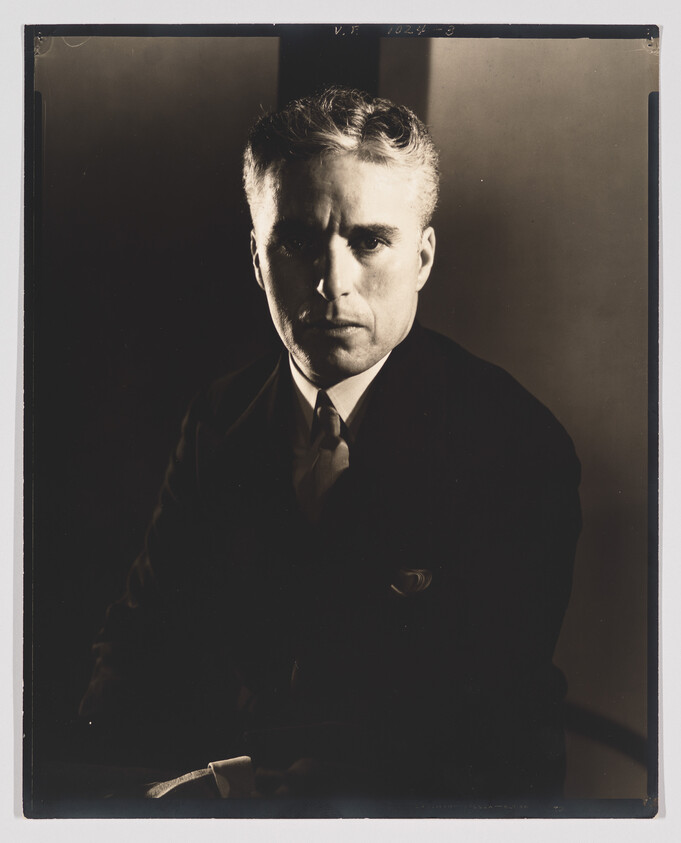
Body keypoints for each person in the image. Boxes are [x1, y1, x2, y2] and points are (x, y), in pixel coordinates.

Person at [79, 86, 582, 801]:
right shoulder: (220, 418)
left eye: (369, 240)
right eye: (298, 241)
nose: (331, 283)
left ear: (423, 258)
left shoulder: (511, 443)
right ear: (257, 259)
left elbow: (476, 726)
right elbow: (137, 648)